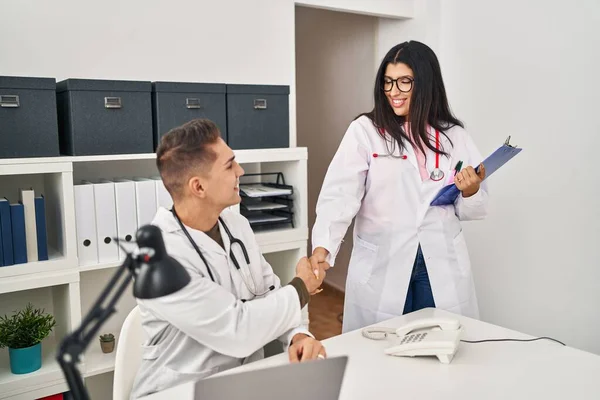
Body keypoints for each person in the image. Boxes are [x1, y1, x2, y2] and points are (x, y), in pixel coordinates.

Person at [130, 119, 329, 399]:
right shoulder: (160, 260)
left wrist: (297, 336)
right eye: (230, 165)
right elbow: (238, 330)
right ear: (198, 187)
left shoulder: (236, 226)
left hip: (241, 383)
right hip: (178, 392)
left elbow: (269, 294)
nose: (241, 171)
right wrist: (301, 287)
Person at [309, 40, 489, 333]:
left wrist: (470, 191)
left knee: (440, 344)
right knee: (382, 352)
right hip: (384, 262)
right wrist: (322, 248)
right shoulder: (365, 132)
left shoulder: (454, 135)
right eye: (388, 82)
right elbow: (339, 195)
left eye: (404, 82)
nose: (394, 91)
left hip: (438, 263)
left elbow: (475, 208)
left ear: (427, 83)